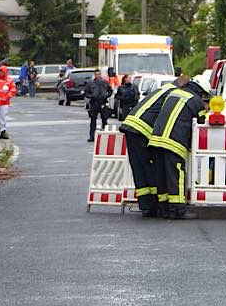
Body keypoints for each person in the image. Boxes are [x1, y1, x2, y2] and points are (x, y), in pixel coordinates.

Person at [147, 75, 210, 219]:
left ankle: (163, 209)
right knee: (177, 174)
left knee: (161, 174)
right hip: (173, 141)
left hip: (156, 139)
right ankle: (178, 209)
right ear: (201, 92)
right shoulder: (196, 101)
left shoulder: (174, 93)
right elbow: (200, 124)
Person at [119, 79, 180, 217]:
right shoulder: (175, 95)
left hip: (130, 126)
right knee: (151, 167)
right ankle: (157, 205)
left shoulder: (164, 90)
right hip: (142, 130)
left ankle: (146, 205)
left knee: (139, 168)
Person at [83, 69, 112, 142]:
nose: (98, 76)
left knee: (105, 120)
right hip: (94, 103)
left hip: (103, 102)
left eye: (99, 74)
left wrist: (106, 96)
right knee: (93, 120)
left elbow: (110, 90)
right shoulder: (90, 83)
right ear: (94, 75)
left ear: (101, 75)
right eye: (96, 74)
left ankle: (105, 136)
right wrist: (92, 96)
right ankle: (92, 137)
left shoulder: (105, 82)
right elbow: (86, 93)